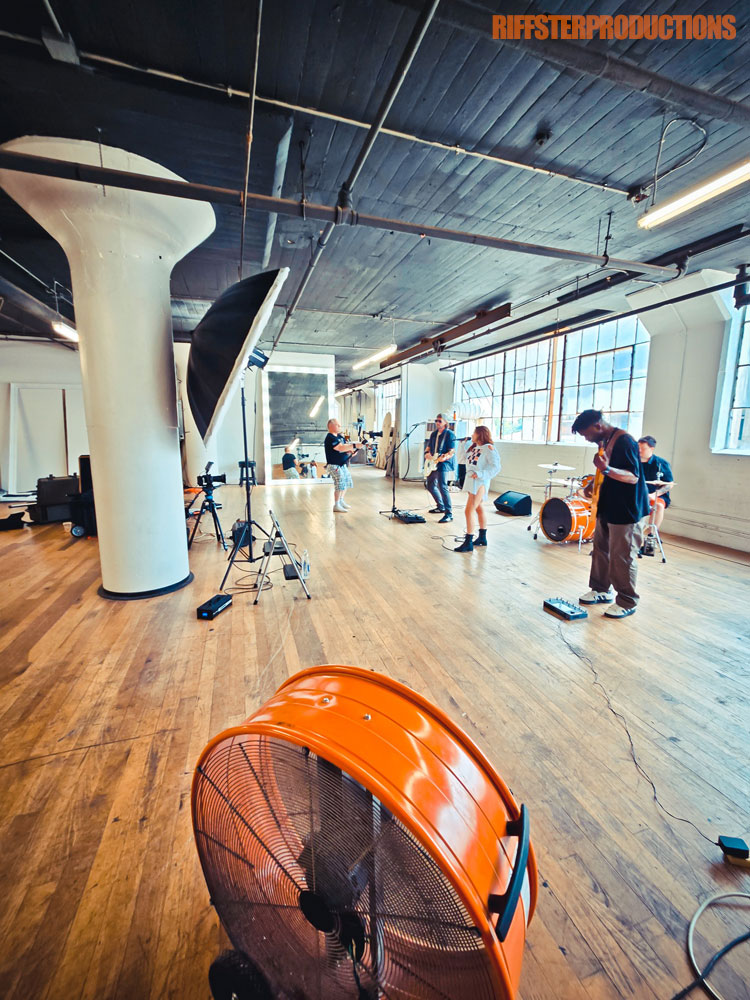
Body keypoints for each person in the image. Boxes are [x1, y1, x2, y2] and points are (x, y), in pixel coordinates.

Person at [572, 409, 650, 619]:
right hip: (608, 506)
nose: (586, 438)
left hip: (627, 509)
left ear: (598, 425)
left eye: (586, 434)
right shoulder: (605, 441)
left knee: (622, 556)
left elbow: (632, 476)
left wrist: (606, 469)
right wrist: (593, 483)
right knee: (601, 550)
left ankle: (627, 601)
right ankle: (601, 590)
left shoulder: (625, 441)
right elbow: (607, 469)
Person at [454, 426, 501, 552]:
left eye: (474, 433)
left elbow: (496, 467)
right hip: (472, 482)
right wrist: (461, 445)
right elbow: (462, 460)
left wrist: (480, 474)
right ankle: (482, 538)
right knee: (479, 508)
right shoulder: (475, 448)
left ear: (480, 434)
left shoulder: (489, 449)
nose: (472, 435)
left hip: (480, 483)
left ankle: (468, 541)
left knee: (468, 510)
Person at [638, 435, 674, 555]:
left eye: (642, 448)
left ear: (651, 449)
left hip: (656, 495)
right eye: (638, 448)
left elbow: (669, 484)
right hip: (637, 495)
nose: (639, 451)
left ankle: (651, 536)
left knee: (658, 506)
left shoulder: (661, 463)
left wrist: (654, 495)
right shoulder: (633, 462)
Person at [424, 414, 456, 523]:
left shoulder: (450, 434)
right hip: (433, 462)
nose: (437, 423)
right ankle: (440, 506)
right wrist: (426, 453)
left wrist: (445, 457)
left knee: (442, 486)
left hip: (444, 463)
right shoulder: (433, 434)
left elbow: (452, 451)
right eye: (436, 421)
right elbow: (428, 446)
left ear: (445, 422)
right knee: (430, 485)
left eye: (440, 421)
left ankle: (449, 514)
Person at [324, 418, 361, 512]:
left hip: (342, 464)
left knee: (346, 482)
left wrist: (350, 451)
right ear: (331, 426)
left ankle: (341, 500)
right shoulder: (330, 438)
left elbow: (344, 448)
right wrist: (354, 446)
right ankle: (336, 505)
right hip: (334, 465)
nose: (339, 426)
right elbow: (340, 448)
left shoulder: (340, 437)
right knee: (339, 483)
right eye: (337, 425)